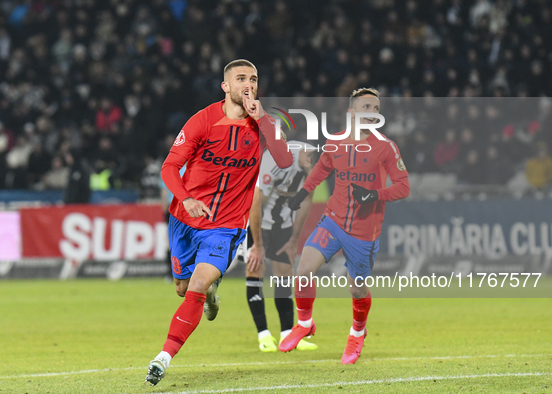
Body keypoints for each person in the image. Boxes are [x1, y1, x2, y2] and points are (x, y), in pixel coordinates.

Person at [145, 59, 292, 386]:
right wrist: (186, 198)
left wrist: (263, 118)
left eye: (253, 79)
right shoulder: (204, 120)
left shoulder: (263, 124)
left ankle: (162, 358)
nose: (248, 85)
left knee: (195, 285)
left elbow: (284, 159)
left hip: (226, 226)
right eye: (241, 79)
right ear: (226, 86)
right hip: (185, 219)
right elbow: (169, 168)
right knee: (184, 289)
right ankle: (211, 295)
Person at [279, 88, 410, 364]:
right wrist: (303, 193)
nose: (373, 113)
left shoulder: (386, 146)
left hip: (364, 231)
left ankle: (357, 332)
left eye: (376, 108)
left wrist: (375, 194)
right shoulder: (335, 141)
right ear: (352, 113)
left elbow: (403, 187)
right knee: (303, 270)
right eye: (367, 107)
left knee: (356, 290)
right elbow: (322, 168)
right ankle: (304, 324)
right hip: (333, 221)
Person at [242, 142, 320, 352]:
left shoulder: (311, 170)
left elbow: (305, 204)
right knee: (255, 269)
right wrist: (257, 245)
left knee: (285, 274)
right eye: (309, 156)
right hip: (256, 221)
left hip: (282, 225)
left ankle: (288, 334)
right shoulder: (276, 162)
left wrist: (294, 240)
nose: (311, 160)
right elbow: (256, 203)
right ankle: (263, 334)